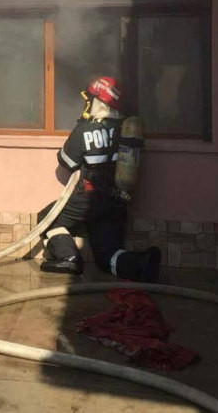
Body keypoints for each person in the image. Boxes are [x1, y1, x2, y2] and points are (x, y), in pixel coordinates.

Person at [37, 76, 161, 282]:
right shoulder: (125, 128)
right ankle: (141, 263)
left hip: (88, 199)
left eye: (89, 99)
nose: (86, 103)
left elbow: (65, 160)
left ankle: (69, 258)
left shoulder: (85, 129)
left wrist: (81, 128)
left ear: (99, 102)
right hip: (117, 201)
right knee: (106, 257)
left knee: (46, 218)